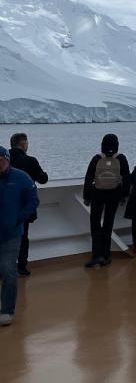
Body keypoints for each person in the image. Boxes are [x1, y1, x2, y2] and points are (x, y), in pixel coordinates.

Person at [0, 146, 39, 326]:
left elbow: (33, 199)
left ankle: (7, 310)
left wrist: (19, 218)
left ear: (7, 160)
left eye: (1, 161)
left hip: (11, 234)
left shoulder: (21, 178)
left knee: (8, 270)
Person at [82, 134, 131, 268]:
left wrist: (87, 197)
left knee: (95, 224)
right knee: (108, 224)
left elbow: (88, 178)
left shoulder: (97, 158)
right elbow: (127, 178)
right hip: (114, 195)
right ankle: (106, 256)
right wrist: (124, 195)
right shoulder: (121, 158)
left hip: (97, 195)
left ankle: (95, 255)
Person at [9, 133, 47, 277]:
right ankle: (22, 267)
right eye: (26, 142)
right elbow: (43, 179)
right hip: (24, 207)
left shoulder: (4, 160)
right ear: (23, 144)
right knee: (23, 236)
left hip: (5, 206)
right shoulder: (30, 161)